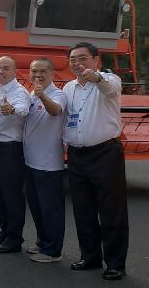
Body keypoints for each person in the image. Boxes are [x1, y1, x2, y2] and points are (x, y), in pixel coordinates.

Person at [63, 42, 128, 281]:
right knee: (83, 209)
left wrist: (97, 78)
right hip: (77, 155)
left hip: (105, 153)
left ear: (96, 60)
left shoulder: (109, 80)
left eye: (83, 58)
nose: (77, 63)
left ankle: (115, 263)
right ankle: (89, 256)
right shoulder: (69, 87)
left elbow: (109, 88)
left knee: (112, 210)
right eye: (72, 60)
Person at [23, 58, 66, 263]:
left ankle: (53, 251)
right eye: (33, 71)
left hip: (49, 163)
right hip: (31, 160)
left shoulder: (58, 94)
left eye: (42, 71)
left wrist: (42, 97)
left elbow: (55, 110)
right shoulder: (31, 94)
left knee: (51, 208)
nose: (37, 75)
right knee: (37, 205)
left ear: (51, 73)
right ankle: (42, 241)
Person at [0, 56, 30, 253]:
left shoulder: (18, 92)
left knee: (11, 194)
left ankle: (14, 238)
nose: (1, 72)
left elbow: (24, 108)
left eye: (5, 68)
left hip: (11, 148)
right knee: (0, 193)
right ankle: (5, 231)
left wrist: (12, 109)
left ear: (15, 72)